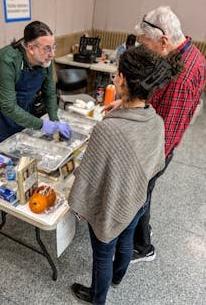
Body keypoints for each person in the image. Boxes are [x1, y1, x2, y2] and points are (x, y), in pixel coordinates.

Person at [68, 45, 183, 305]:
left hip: (111, 207)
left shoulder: (108, 130)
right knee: (126, 239)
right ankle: (118, 277)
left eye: (117, 73)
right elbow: (154, 163)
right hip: (138, 199)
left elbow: (89, 180)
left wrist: (79, 204)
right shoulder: (155, 120)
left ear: (122, 79)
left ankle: (97, 298)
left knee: (102, 253)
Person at [104, 6, 206, 263]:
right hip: (158, 141)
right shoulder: (186, 53)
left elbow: (166, 134)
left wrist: (138, 162)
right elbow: (157, 91)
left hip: (157, 152)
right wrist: (126, 102)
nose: (143, 49)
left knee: (141, 196)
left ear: (162, 40)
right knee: (144, 196)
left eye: (144, 43)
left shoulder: (182, 77)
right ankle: (142, 230)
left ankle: (143, 247)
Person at [0, 21, 71, 153]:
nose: (52, 54)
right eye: (47, 48)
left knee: (20, 147)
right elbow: (8, 106)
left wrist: (55, 121)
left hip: (21, 107)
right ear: (31, 48)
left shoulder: (46, 60)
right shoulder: (6, 61)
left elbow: (49, 92)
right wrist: (42, 125)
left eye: (53, 47)